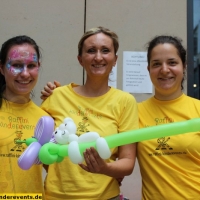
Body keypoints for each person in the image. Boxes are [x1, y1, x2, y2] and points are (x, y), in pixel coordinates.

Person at [40, 26, 138, 200]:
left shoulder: (125, 101)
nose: (98, 57)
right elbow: (40, 147)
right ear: (80, 59)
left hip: (105, 196)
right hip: (55, 196)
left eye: (105, 51)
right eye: (91, 51)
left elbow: (128, 162)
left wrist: (104, 169)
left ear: (115, 59)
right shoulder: (57, 95)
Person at [137, 35, 200, 199]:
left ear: (184, 66)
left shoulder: (198, 109)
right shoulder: (134, 112)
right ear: (148, 69)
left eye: (172, 62)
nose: (164, 70)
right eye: (156, 64)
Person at [0, 35, 48, 197]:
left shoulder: (44, 119)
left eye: (31, 65)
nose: (25, 74)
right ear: (1, 68)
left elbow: (52, 167)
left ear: (38, 67)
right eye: (17, 65)